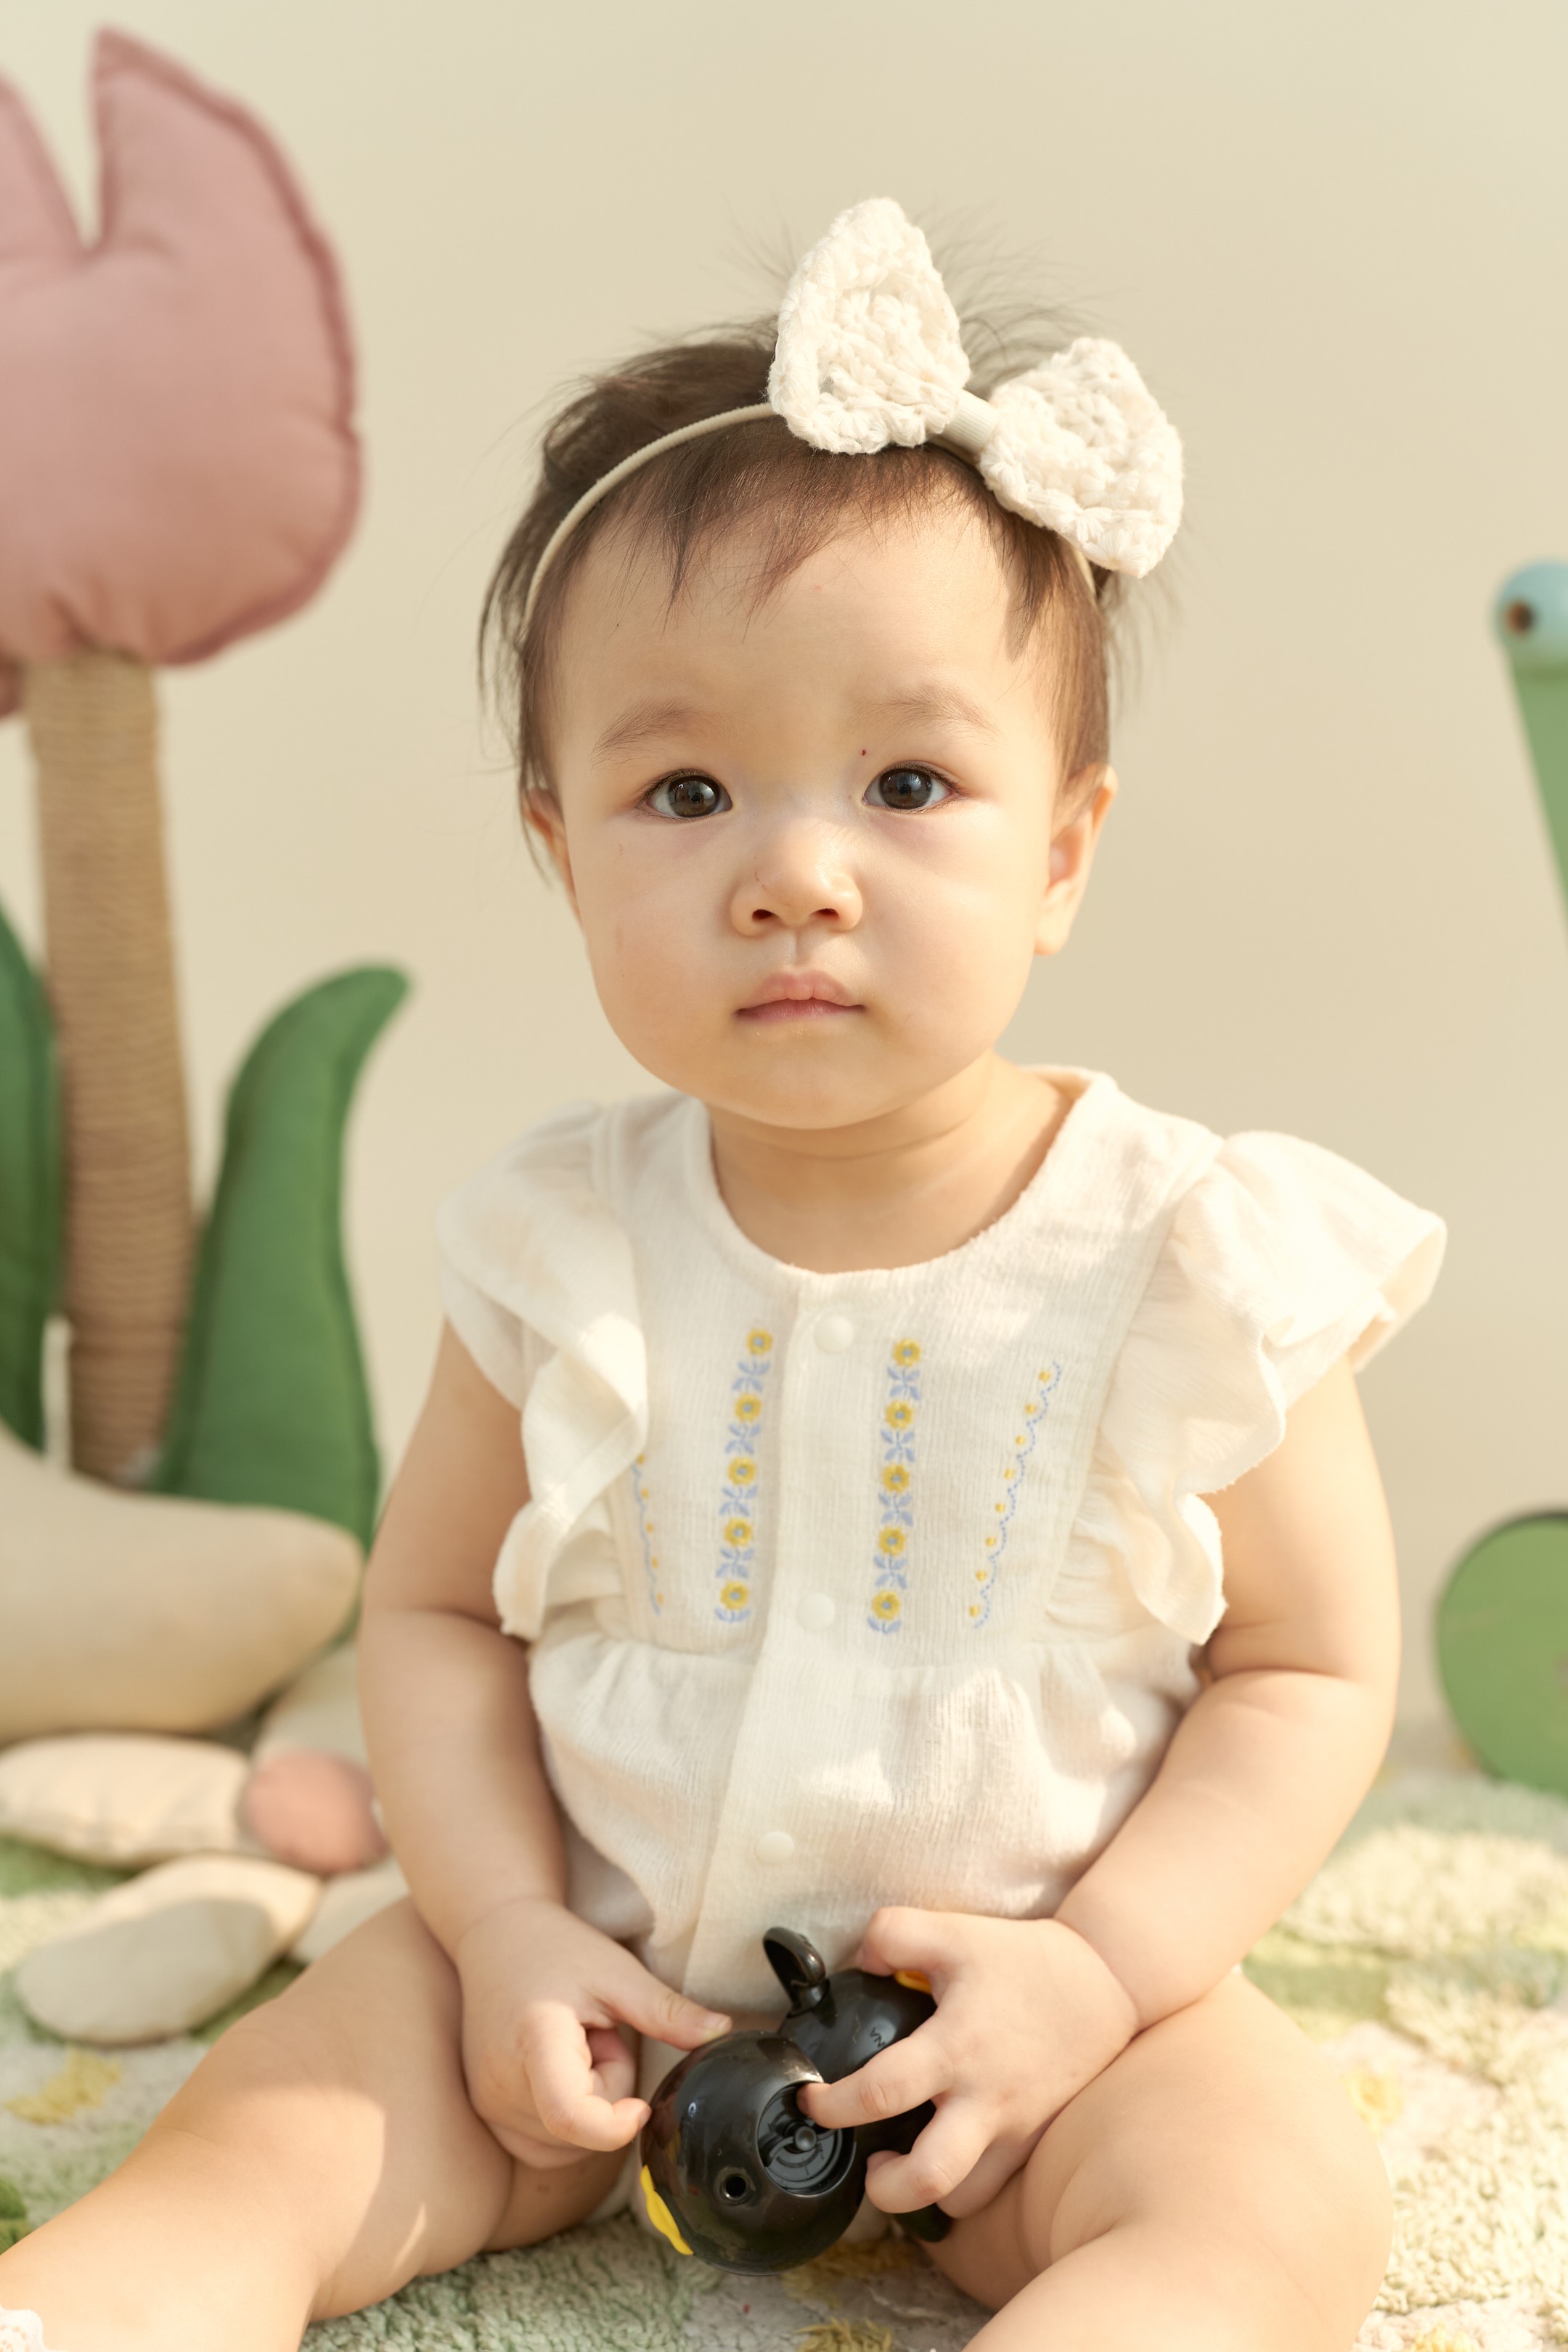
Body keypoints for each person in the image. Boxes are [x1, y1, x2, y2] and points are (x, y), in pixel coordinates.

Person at [0, 197, 1443, 2352]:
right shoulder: (561, 1243)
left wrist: (1108, 1969)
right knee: (273, 2122)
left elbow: (1310, 1676)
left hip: (1034, 2029)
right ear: (559, 850)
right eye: (687, 790)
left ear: (1061, 848)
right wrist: (501, 1927)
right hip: (600, 1985)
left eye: (908, 782)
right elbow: (431, 1615)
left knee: (1271, 2204)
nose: (794, 874)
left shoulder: (1189, 1253)